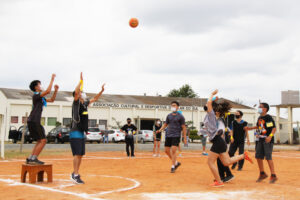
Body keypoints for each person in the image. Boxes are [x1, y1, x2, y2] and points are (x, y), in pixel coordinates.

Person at [204, 90, 253, 187]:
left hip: (218, 141)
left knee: (210, 162)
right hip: (219, 141)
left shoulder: (212, 115)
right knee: (226, 162)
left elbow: (208, 103)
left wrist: (212, 95)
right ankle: (243, 156)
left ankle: (219, 181)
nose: (208, 107)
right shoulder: (211, 115)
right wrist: (214, 99)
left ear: (215, 111)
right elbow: (208, 103)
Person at [70, 72, 105, 184]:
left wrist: (102, 91)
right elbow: (76, 92)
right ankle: (75, 175)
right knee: (77, 154)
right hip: (75, 132)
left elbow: (95, 98)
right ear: (78, 94)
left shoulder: (85, 103)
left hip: (81, 132)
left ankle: (75, 173)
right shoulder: (76, 103)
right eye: (81, 92)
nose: (83, 93)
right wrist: (80, 81)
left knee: (80, 154)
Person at [26, 74, 59, 165]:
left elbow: (52, 100)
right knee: (44, 140)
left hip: (33, 120)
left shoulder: (40, 97)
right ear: (36, 87)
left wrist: (56, 91)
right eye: (39, 84)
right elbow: (48, 91)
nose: (41, 86)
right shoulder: (36, 96)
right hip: (34, 120)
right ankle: (34, 158)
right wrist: (52, 79)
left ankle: (31, 158)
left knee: (40, 140)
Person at [246, 103, 278, 183]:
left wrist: (270, 136)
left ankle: (273, 175)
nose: (259, 108)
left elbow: (273, 128)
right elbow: (259, 127)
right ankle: (262, 173)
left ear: (265, 109)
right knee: (258, 156)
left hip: (267, 140)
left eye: (260, 107)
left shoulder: (268, 117)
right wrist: (250, 128)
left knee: (268, 157)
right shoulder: (260, 117)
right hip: (260, 139)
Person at [156, 101, 187, 173]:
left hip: (176, 135)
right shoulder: (169, 115)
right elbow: (165, 124)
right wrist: (160, 130)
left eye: (174, 105)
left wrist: (184, 137)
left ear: (177, 107)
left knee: (173, 151)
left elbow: (183, 127)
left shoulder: (181, 116)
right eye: (172, 105)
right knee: (166, 151)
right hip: (168, 135)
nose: (173, 106)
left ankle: (173, 166)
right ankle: (176, 163)